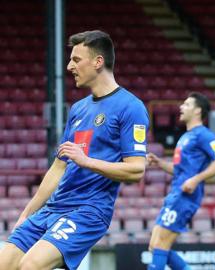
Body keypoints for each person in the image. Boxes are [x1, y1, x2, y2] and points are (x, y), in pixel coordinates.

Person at [0, 30, 149, 270]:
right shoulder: (79, 109)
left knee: (30, 266)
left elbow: (136, 170)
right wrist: (27, 214)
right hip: (54, 208)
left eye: (76, 59)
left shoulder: (131, 107)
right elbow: (58, 167)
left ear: (98, 62)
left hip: (88, 211)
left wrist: (86, 161)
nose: (69, 66)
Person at [147, 92, 215, 270]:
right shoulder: (185, 137)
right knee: (154, 245)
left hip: (186, 196)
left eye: (187, 104)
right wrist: (159, 163)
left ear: (198, 111)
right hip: (176, 193)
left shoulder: (204, 135)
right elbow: (179, 170)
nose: (181, 107)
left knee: (160, 244)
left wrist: (196, 179)